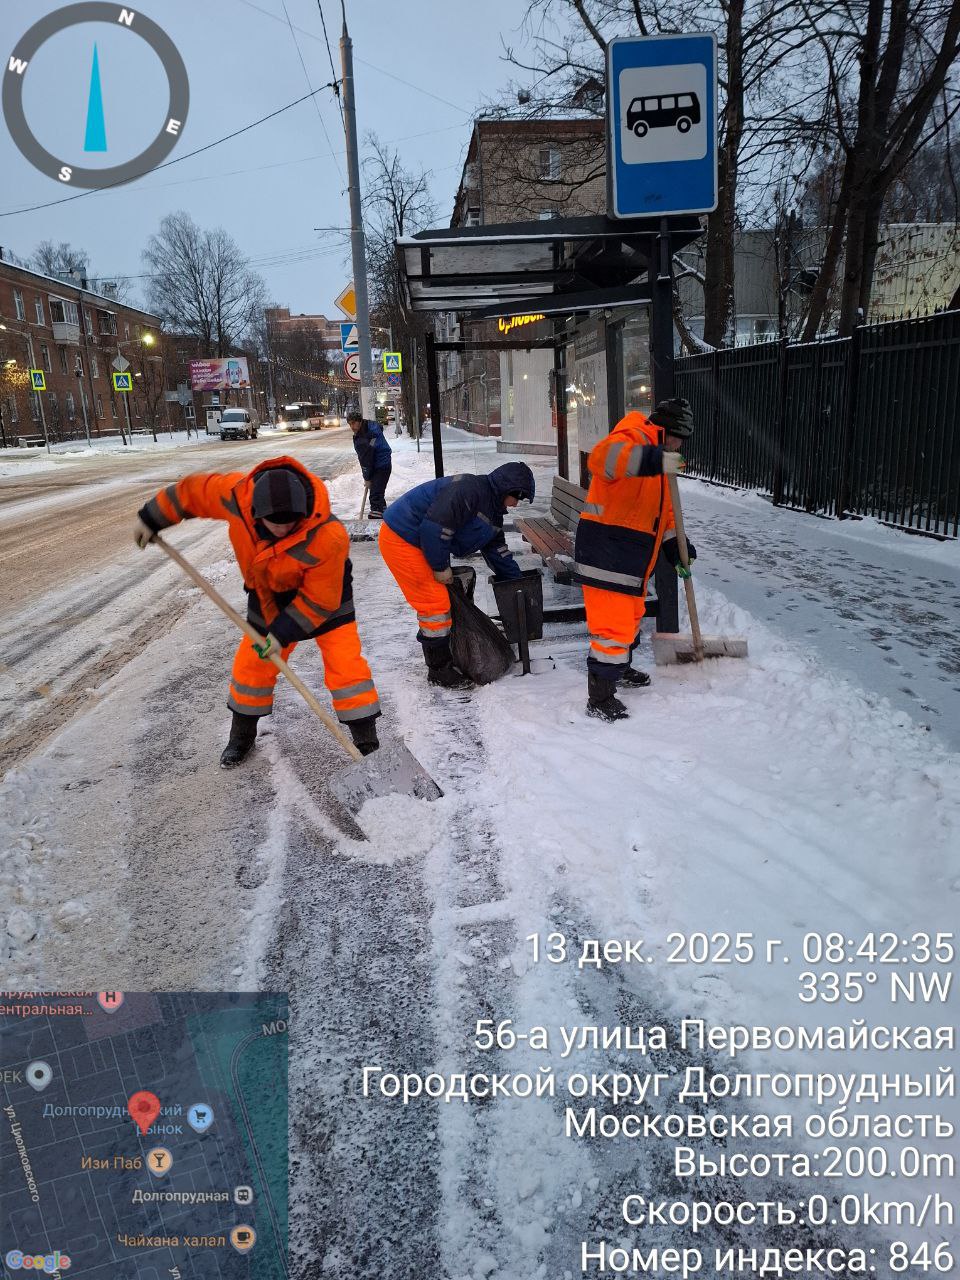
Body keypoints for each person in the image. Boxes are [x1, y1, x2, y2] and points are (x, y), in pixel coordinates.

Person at [133, 456, 382, 768]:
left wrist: (282, 635)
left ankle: (366, 740)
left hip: (326, 598)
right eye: (274, 523)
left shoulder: (328, 535)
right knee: (252, 666)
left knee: (346, 665)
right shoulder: (236, 495)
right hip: (267, 597)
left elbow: (320, 600)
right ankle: (242, 734)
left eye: (290, 523)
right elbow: (192, 493)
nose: (282, 529)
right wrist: (151, 517)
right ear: (255, 512)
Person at [574, 398, 697, 722]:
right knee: (611, 629)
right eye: (679, 438)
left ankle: (620, 670)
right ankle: (600, 697)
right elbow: (601, 460)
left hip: (631, 555)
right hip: (605, 550)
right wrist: (654, 458)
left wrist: (676, 545)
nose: (680, 445)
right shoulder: (633, 437)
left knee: (629, 618)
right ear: (667, 431)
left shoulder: (659, 463)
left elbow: (666, 513)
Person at [379, 463, 535, 689]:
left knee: (441, 600)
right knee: (434, 605)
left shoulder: (491, 510)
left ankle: (448, 653)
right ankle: (439, 669)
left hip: (421, 543)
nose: (516, 504)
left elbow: (497, 551)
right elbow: (435, 528)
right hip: (402, 538)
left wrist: (516, 580)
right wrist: (440, 566)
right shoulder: (468, 491)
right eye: (517, 498)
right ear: (506, 490)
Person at [347, 409, 392, 518]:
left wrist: (367, 477)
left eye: (353, 423)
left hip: (380, 466)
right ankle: (386, 517)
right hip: (382, 464)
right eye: (349, 424)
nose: (352, 427)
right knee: (378, 494)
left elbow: (366, 459)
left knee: (375, 496)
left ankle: (375, 525)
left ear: (359, 421)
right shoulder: (370, 428)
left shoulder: (365, 436)